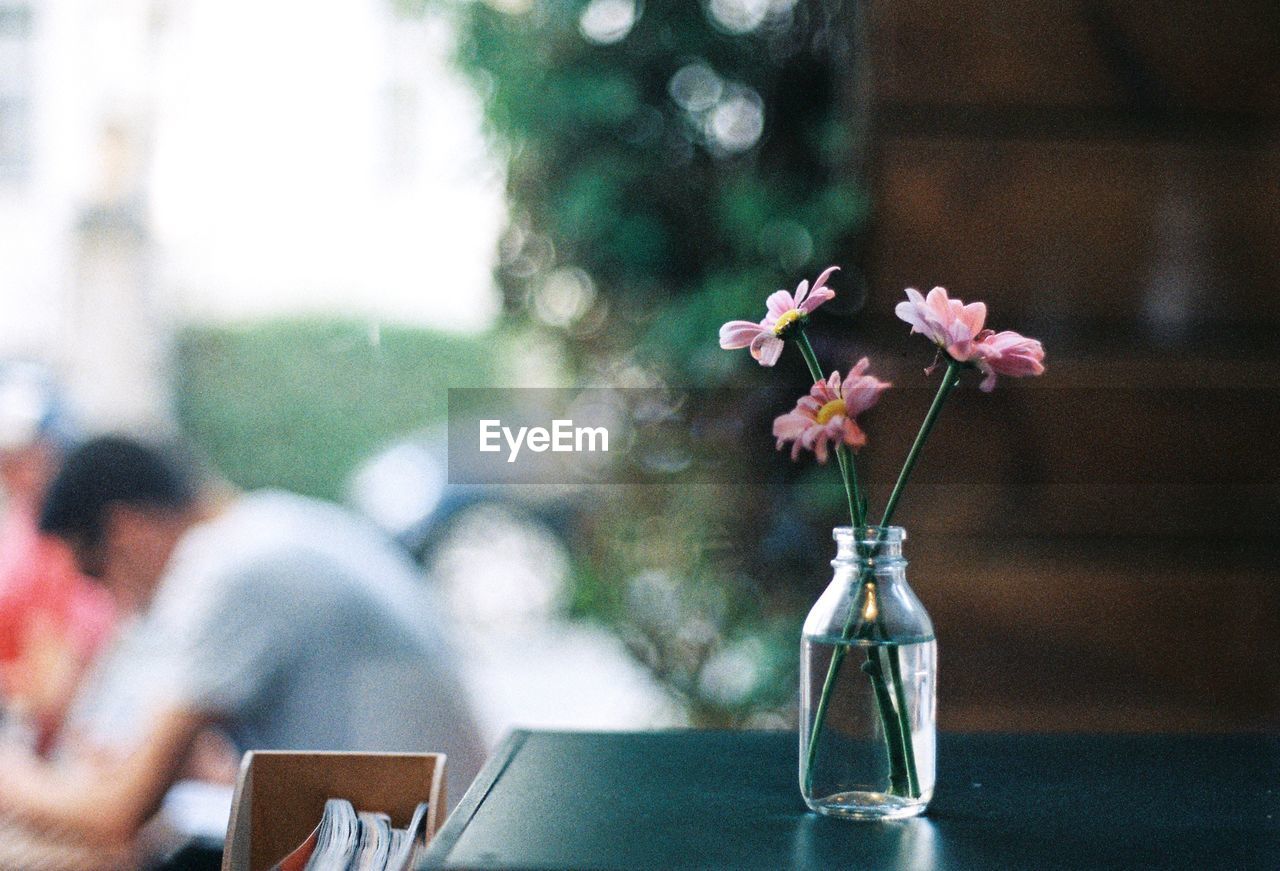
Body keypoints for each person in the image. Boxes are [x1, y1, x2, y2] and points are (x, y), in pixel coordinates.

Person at [0, 435, 485, 846]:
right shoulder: (272, 525)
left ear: (126, 531)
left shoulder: (230, 569)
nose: (113, 603)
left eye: (96, 574)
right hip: (429, 831)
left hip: (407, 849)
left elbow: (116, 815)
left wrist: (11, 779)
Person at [0, 362, 114, 752]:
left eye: (29, 455)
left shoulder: (79, 538)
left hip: (62, 744)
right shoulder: (19, 528)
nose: (19, 473)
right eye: (7, 460)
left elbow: (56, 689)